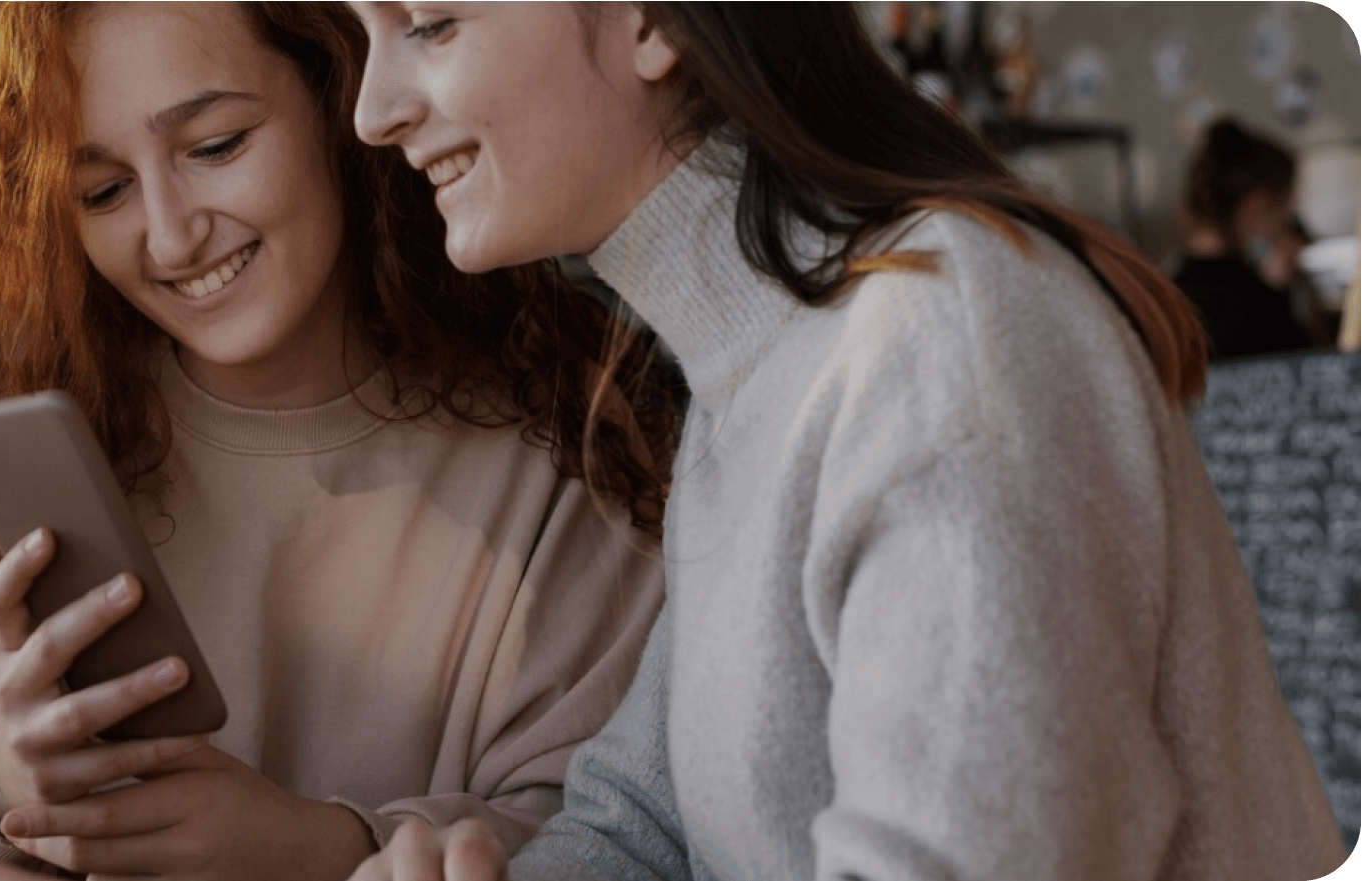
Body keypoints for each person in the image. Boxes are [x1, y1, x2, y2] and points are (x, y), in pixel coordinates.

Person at [341, 3, 1346, 880]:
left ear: (659, 20)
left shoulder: (939, 340)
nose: (372, 110)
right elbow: (642, 825)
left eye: (430, 24)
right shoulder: (753, 368)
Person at [0, 3, 673, 879]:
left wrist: (311, 846)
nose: (171, 236)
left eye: (216, 147)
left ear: (340, 103)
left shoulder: (573, 453)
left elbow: (619, 834)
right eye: (102, 191)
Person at [1171, 118, 1316, 360]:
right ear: (1258, 205)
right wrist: (1285, 292)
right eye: (1283, 208)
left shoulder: (1163, 294)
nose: (1286, 222)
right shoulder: (1258, 308)